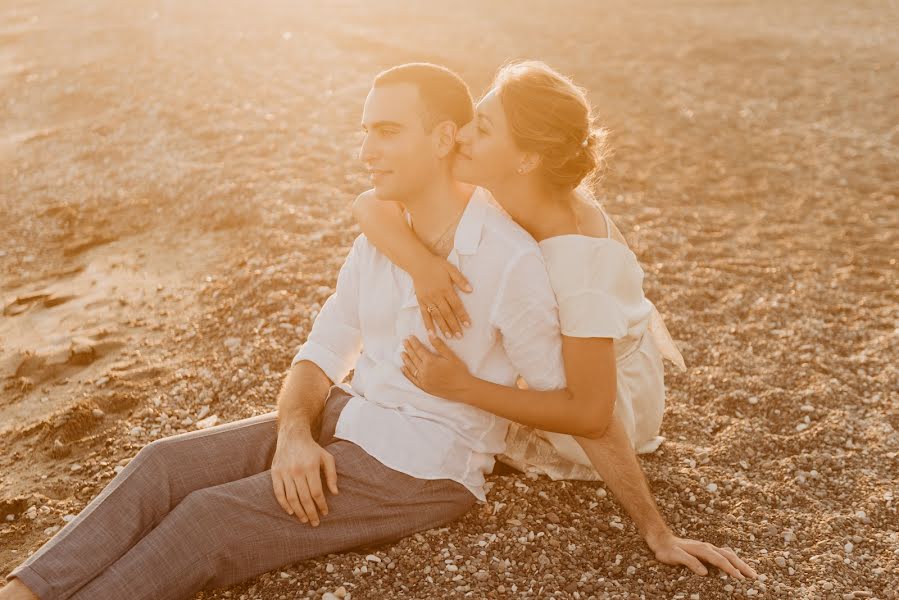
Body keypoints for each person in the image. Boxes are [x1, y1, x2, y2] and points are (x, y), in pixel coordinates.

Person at [1, 62, 609, 600]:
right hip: (347, 415)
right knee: (160, 464)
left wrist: (653, 526)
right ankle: (23, 590)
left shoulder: (507, 259)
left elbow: (569, 402)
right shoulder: (382, 232)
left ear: (444, 138)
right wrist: (294, 435)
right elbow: (322, 351)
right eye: (364, 131)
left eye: (387, 131)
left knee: (208, 520)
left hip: (426, 465)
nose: (366, 150)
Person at [352, 60, 758, 579]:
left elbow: (592, 412)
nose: (463, 137)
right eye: (474, 119)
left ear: (526, 159)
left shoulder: (579, 261)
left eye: (483, 128)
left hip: (610, 391)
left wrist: (464, 387)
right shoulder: (496, 178)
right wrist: (424, 267)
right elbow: (369, 204)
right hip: (550, 359)